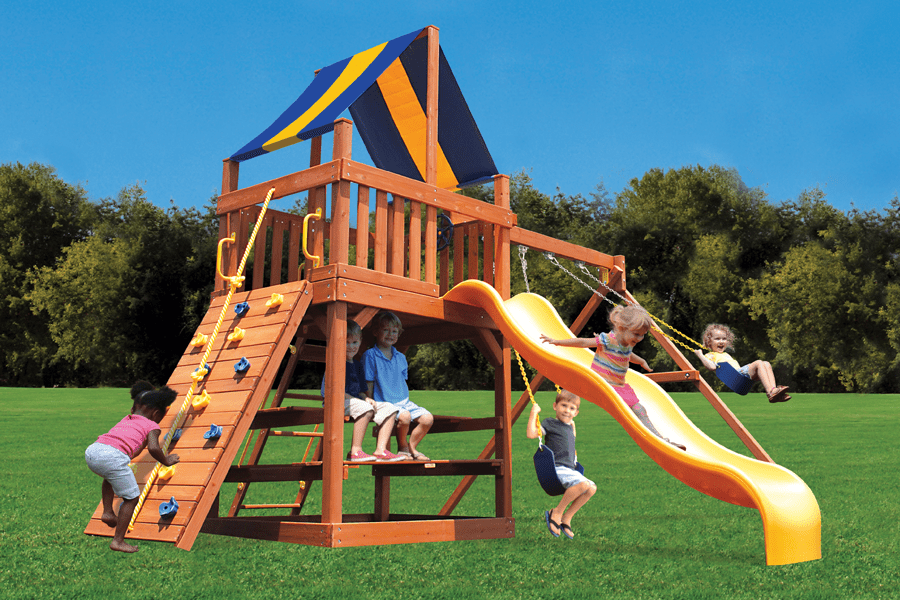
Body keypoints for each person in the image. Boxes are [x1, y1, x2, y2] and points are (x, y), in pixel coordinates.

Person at [540, 304, 686, 451]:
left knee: (639, 410)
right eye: (637, 334)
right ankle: (660, 440)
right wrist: (557, 342)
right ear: (622, 328)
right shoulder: (608, 340)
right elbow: (583, 342)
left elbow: (627, 354)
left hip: (619, 387)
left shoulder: (628, 342)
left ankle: (660, 439)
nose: (640, 338)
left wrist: (641, 361)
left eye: (643, 335)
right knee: (630, 411)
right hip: (602, 383)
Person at [84, 382, 179, 553]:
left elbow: (132, 444)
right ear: (156, 414)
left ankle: (107, 512)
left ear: (133, 408)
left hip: (93, 451)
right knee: (132, 498)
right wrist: (166, 460)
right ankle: (118, 541)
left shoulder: (127, 419)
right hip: (112, 456)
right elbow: (153, 448)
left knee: (110, 475)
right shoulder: (152, 426)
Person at [321, 319, 408, 462]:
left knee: (390, 408)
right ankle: (355, 451)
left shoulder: (358, 365)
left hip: (355, 402)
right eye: (346, 342)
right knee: (365, 408)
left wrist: (366, 398)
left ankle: (381, 450)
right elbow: (333, 391)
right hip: (335, 401)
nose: (351, 347)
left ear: (360, 341)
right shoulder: (335, 363)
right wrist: (358, 400)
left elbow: (361, 391)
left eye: (354, 342)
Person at [526, 389, 596, 539]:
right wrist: (533, 413)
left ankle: (567, 517)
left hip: (570, 470)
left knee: (592, 489)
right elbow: (531, 434)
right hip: (556, 468)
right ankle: (557, 512)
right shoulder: (550, 423)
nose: (567, 411)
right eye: (563, 405)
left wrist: (573, 427)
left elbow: (571, 441)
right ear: (555, 406)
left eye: (572, 408)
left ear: (576, 413)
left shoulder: (570, 426)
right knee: (583, 485)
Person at [364, 311, 434, 461]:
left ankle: (411, 447)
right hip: (384, 402)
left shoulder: (401, 357)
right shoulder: (370, 355)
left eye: (394, 331)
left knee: (427, 419)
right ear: (375, 332)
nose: (391, 334)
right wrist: (370, 402)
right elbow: (368, 381)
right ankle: (402, 448)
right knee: (405, 416)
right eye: (386, 330)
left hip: (404, 402)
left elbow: (401, 381)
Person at [694, 323, 790, 402]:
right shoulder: (710, 355)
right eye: (717, 339)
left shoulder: (726, 354)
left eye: (724, 339)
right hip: (737, 377)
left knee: (766, 363)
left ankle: (775, 393)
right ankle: (771, 392)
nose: (721, 341)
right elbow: (711, 367)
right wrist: (700, 355)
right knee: (759, 363)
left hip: (741, 379)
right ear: (709, 342)